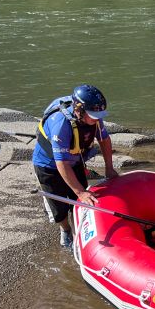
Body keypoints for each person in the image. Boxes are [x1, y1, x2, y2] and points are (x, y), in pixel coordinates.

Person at [32, 84, 118, 247]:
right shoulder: (60, 124)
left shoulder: (94, 117)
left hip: (74, 159)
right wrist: (80, 192)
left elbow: (104, 140)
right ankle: (65, 231)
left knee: (78, 200)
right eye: (93, 115)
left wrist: (109, 168)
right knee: (60, 208)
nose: (96, 119)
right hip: (49, 165)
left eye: (98, 115)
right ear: (79, 110)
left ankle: (79, 229)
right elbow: (61, 163)